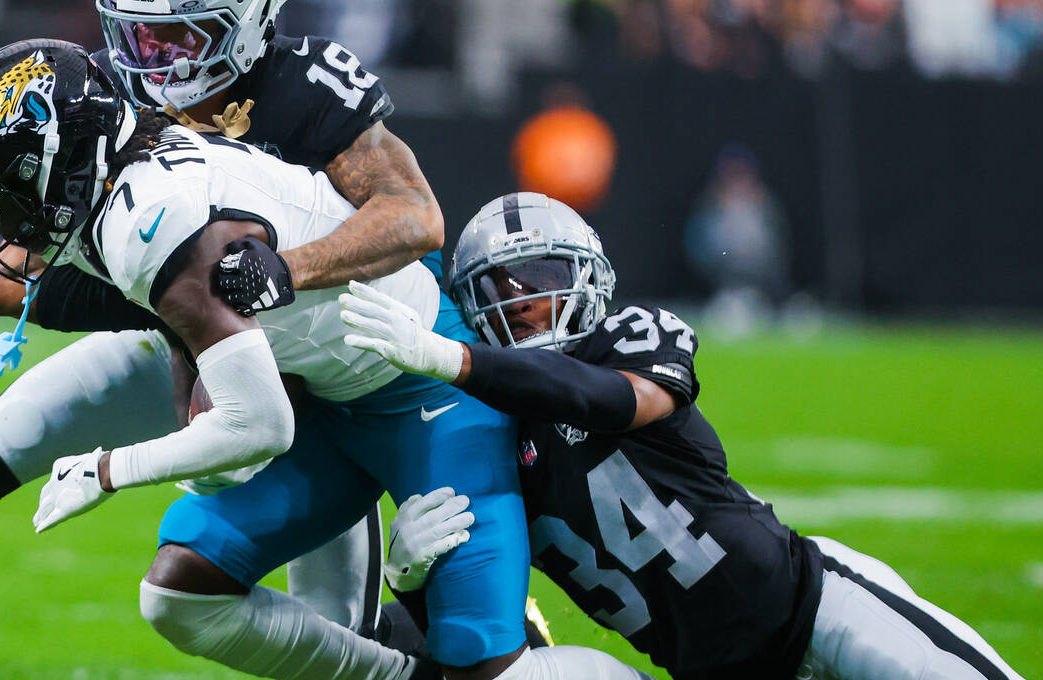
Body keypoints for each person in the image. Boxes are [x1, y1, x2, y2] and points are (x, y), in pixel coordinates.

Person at [0, 0, 441, 677]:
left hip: (309, 375)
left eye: (174, 36)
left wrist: (282, 272)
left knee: (336, 634)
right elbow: (9, 279)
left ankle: (431, 631)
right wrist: (178, 301)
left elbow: (415, 219)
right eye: (136, 34)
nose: (149, 62)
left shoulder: (303, 83)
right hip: (165, 327)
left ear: (246, 12)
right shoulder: (101, 89)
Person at [0, 39, 650, 680]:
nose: (3, 220)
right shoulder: (121, 191)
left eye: (8, 188)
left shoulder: (146, 222)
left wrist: (110, 468)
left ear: (55, 156)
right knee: (178, 590)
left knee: (488, 666)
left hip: (423, 394)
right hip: (326, 403)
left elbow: (259, 428)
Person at [339, 191, 1026, 680]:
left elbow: (609, 401)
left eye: (542, 279)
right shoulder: (489, 443)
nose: (523, 300)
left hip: (816, 610)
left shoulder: (626, 341)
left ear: (585, 277)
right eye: (502, 287)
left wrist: (458, 361)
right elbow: (506, 648)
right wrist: (412, 582)